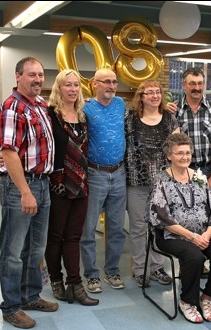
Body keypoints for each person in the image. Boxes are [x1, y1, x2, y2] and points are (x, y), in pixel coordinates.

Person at [0, 56, 58, 329]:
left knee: (35, 249)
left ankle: (31, 295)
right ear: (17, 76)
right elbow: (8, 152)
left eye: (41, 75)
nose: (38, 80)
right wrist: (24, 192)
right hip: (21, 186)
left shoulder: (40, 105)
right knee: (12, 250)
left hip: (43, 183)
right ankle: (11, 306)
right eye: (31, 75)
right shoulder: (12, 108)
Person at [146, 132, 211, 323]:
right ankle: (187, 301)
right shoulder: (160, 180)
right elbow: (162, 217)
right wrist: (192, 237)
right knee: (194, 256)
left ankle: (207, 297)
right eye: (179, 153)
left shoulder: (199, 177)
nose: (185, 157)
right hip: (172, 236)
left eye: (187, 153)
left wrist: (206, 235)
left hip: (203, 233)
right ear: (169, 156)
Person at [44, 69, 98, 306]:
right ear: (59, 88)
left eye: (76, 85)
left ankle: (75, 285)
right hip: (58, 183)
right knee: (55, 236)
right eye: (68, 85)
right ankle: (56, 279)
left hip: (82, 183)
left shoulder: (83, 116)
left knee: (74, 236)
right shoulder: (50, 114)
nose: (73, 89)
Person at [172, 67, 211, 277]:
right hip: (182, 171)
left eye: (199, 83)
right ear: (184, 85)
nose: (196, 88)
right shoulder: (175, 110)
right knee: (185, 217)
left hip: (206, 170)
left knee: (206, 217)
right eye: (192, 84)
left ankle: (207, 259)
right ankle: (192, 261)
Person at [125, 80, 179, 287]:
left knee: (160, 225)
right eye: (150, 93)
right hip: (136, 182)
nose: (155, 96)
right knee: (138, 227)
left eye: (158, 92)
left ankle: (157, 267)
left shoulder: (169, 119)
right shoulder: (130, 119)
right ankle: (139, 269)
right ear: (141, 97)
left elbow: (176, 149)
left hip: (162, 185)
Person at [80, 68, 127, 292]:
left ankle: (112, 271)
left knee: (116, 228)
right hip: (95, 174)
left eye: (114, 82)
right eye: (106, 81)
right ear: (94, 84)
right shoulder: (85, 107)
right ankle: (91, 274)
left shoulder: (120, 104)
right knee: (88, 228)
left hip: (119, 173)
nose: (111, 85)